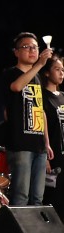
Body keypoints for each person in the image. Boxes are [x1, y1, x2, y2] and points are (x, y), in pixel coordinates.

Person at [4, 32, 53, 206]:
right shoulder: (11, 73)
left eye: (35, 47)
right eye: (27, 47)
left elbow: (41, 111)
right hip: (20, 144)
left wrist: (46, 143)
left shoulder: (38, 77)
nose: (32, 50)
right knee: (20, 195)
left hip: (39, 145)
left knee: (37, 197)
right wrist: (39, 64)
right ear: (16, 52)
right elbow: (16, 87)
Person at [40, 53, 64, 217]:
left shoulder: (63, 97)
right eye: (57, 69)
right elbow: (42, 125)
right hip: (53, 154)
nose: (61, 73)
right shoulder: (42, 96)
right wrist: (45, 155)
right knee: (53, 199)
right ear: (47, 72)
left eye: (63, 70)